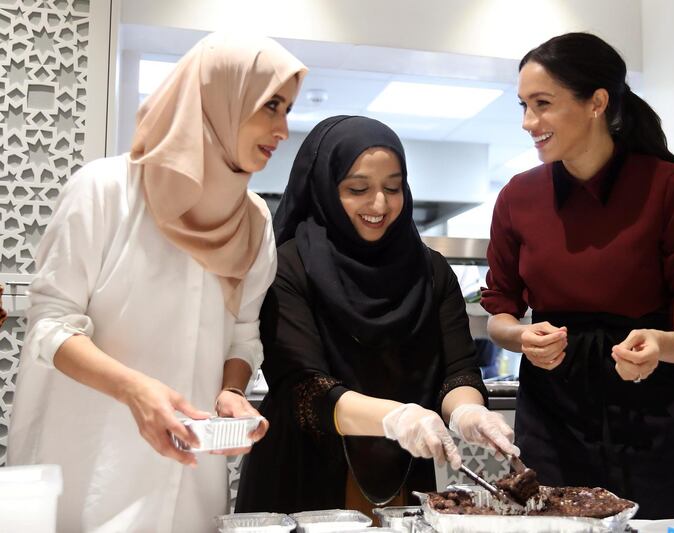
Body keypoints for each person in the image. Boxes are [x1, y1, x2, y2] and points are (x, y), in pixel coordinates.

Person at [8, 32, 306, 532]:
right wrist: (134, 390)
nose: (283, 128)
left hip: (189, 476)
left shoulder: (253, 221)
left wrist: (231, 393)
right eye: (270, 106)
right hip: (89, 465)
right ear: (218, 99)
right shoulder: (105, 191)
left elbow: (242, 334)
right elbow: (49, 327)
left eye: (287, 110)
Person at [481, 32, 674, 519]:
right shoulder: (518, 196)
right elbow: (499, 312)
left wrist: (661, 345)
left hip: (648, 406)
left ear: (597, 102)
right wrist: (519, 335)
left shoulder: (671, 188)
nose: (528, 122)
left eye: (542, 104)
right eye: (523, 105)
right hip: (550, 407)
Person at [235, 115, 518, 517]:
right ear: (325, 190)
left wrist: (468, 410)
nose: (380, 204)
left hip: (401, 473)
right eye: (358, 189)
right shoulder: (289, 267)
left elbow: (459, 372)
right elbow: (306, 389)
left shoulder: (431, 272)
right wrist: (397, 418)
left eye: (393, 187)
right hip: (302, 475)